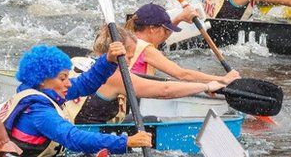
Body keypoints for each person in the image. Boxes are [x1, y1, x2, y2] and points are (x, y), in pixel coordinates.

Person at [1, 44, 152, 157]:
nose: (68, 83)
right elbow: (73, 138)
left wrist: (108, 61)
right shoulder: (38, 111)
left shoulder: (46, 91)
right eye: (63, 78)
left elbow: (84, 83)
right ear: (42, 80)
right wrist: (125, 142)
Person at [74, 27, 225, 125]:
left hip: (85, 126)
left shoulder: (79, 60)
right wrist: (206, 86)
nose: (131, 61)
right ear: (115, 52)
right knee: (151, 122)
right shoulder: (115, 76)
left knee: (144, 120)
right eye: (128, 57)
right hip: (86, 138)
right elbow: (164, 90)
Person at [123, 3, 240, 83]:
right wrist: (222, 79)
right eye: (165, 29)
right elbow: (182, 75)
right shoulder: (147, 50)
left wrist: (180, 18)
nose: (166, 34)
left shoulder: (129, 39)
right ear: (152, 28)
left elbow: (161, 36)